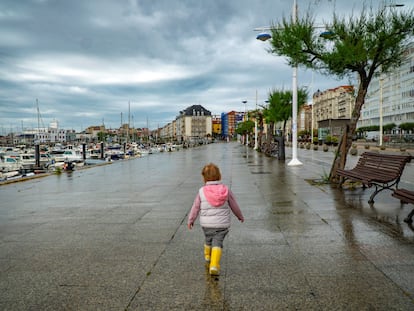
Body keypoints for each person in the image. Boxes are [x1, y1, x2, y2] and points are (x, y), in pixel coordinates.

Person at [187, 163, 244, 276]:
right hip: (221, 225)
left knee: (208, 239)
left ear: (204, 178)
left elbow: (195, 207)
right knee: (217, 242)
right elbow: (234, 205)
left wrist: (191, 220)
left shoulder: (201, 191)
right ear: (219, 176)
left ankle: (208, 257)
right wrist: (239, 216)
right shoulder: (225, 190)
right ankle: (214, 265)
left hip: (206, 224)